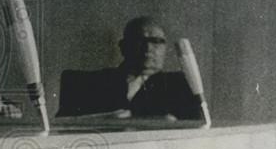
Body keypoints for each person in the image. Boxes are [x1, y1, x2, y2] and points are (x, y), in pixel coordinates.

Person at [56, 15, 201, 120]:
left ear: (165, 48)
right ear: (123, 47)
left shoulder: (181, 85)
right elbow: (63, 124)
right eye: (140, 40)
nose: (148, 48)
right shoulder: (92, 83)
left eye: (156, 41)